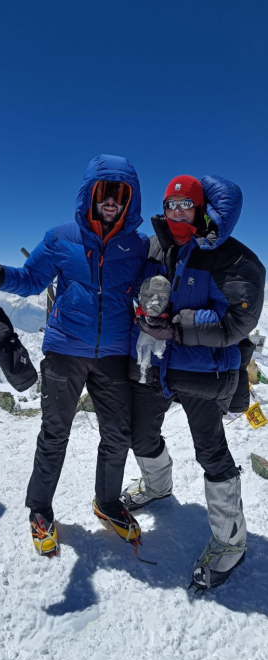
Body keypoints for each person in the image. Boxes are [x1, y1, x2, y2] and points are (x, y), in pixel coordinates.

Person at [0, 154, 149, 556]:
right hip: (65, 350)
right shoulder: (61, 237)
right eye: (103, 191)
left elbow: (150, 287)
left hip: (114, 355)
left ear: (129, 199)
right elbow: (33, 278)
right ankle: (40, 510)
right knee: (55, 434)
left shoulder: (137, 246)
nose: (111, 200)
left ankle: (107, 503)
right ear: (90, 194)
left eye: (120, 193)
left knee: (118, 435)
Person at [122, 174, 265, 589]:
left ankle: (231, 542)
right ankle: (157, 486)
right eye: (171, 204)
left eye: (186, 204)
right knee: (140, 433)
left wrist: (177, 328)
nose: (177, 212)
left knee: (212, 452)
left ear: (201, 209)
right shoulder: (156, 247)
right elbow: (126, 280)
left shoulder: (232, 257)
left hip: (201, 371)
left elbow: (237, 320)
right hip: (155, 367)